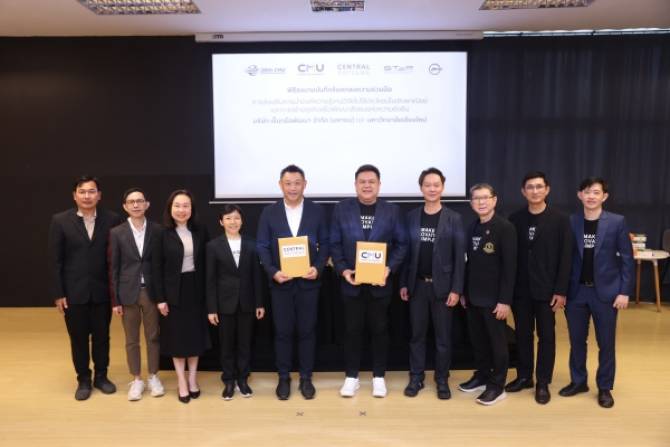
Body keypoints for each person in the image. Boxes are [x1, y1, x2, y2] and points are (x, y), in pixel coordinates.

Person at [330, 164, 408, 398]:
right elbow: (334, 243)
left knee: (380, 330)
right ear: (355, 185)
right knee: (352, 330)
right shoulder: (341, 209)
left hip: (380, 284)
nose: (367, 185)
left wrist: (389, 268)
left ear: (379, 185)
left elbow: (402, 244)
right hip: (351, 283)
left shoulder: (392, 211)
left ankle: (378, 377)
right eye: (362, 182)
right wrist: (343, 270)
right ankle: (351, 377)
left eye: (371, 181)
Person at [559, 177, 634, 408]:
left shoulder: (617, 222)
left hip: (607, 294)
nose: (591, 196)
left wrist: (624, 291)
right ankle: (579, 381)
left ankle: (604, 387)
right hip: (576, 293)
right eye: (586, 192)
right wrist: (561, 291)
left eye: (596, 192)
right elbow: (564, 259)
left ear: (604, 196)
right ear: (579, 195)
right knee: (577, 342)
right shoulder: (571, 221)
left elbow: (627, 259)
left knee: (606, 343)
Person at [256, 165, 329, 400]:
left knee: (307, 331)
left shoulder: (317, 211)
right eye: (288, 183)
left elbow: (326, 243)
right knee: (283, 332)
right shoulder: (269, 212)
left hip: (309, 283)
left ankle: (306, 377)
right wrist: (273, 271)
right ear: (281, 185)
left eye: (297, 183)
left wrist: (318, 268)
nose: (293, 188)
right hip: (281, 283)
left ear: (305, 184)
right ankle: (284, 377)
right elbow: (262, 246)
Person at [48, 175, 122, 400]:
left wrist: (116, 293)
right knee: (78, 339)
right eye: (82, 191)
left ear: (99, 195)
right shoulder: (60, 221)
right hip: (74, 292)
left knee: (102, 337)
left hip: (102, 291)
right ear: (74, 195)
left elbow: (116, 259)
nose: (87, 196)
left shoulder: (112, 219)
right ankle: (83, 379)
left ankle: (101, 376)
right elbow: (55, 261)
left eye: (92, 191)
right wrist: (59, 293)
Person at [505, 172, 572, 404]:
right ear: (523, 192)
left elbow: (566, 258)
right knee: (523, 335)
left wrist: (561, 291)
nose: (535, 191)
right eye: (530, 187)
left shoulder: (560, 220)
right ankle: (525, 377)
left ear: (547, 189)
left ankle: (543, 381)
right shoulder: (515, 219)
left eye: (539, 186)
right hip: (520, 291)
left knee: (547, 336)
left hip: (548, 291)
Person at [399, 168, 465, 400]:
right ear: (421, 188)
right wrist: (404, 283)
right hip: (417, 286)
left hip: (443, 288)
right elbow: (407, 254)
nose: (432, 189)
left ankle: (442, 379)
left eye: (436, 185)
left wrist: (457, 288)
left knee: (443, 338)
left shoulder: (454, 218)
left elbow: (459, 257)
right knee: (417, 335)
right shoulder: (411, 217)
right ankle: (416, 377)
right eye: (427, 185)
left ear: (443, 187)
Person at [459, 183, 516, 406]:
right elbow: (468, 264)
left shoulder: (505, 228)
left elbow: (510, 268)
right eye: (476, 198)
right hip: (473, 297)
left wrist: (505, 300)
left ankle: (497, 385)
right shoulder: (471, 227)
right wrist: (464, 292)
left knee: (497, 343)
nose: (481, 202)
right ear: (471, 203)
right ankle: (482, 375)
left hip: (494, 300)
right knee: (478, 341)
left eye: (485, 197)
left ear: (494, 200)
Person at [153, 189, 211, 403]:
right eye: (177, 205)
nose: (181, 210)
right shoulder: (161, 233)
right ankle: (181, 381)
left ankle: (193, 379)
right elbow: (156, 268)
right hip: (172, 293)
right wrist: (160, 299)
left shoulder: (201, 230)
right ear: (170, 208)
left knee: (194, 337)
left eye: (186, 205)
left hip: (196, 289)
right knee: (177, 339)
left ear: (192, 209)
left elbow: (207, 262)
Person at [109, 188, 165, 401]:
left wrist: (162, 296)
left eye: (139, 201)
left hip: (151, 292)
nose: (135, 205)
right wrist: (115, 300)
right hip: (127, 293)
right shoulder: (117, 232)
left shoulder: (157, 230)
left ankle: (153, 376)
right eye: (131, 202)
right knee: (131, 339)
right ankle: (137, 379)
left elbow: (161, 264)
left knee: (153, 337)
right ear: (125, 206)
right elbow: (113, 268)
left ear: (146, 204)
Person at [207, 204, 265, 400]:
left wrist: (259, 303)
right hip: (224, 304)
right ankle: (229, 380)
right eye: (228, 218)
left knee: (245, 344)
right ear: (221, 222)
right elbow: (210, 280)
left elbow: (257, 276)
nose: (233, 222)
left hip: (247, 302)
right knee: (226, 345)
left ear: (242, 221)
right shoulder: (213, 246)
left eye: (237, 218)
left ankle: (243, 379)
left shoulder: (252, 244)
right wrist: (212, 308)